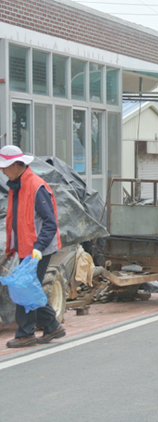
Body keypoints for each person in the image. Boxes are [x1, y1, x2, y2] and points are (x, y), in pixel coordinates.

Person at [0, 145, 65, 348]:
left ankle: (25, 333)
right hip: (25, 248)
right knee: (28, 287)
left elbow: (50, 222)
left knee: (25, 287)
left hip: (38, 249)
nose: (2, 171)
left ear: (16, 165)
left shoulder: (36, 186)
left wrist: (38, 247)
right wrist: (12, 247)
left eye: (4, 167)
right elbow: (18, 221)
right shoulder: (17, 186)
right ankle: (52, 326)